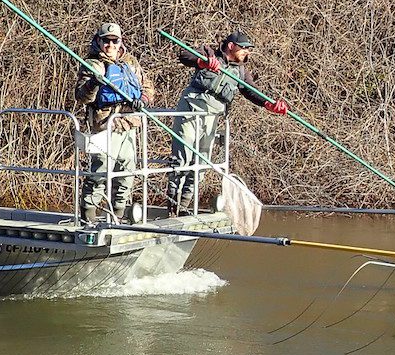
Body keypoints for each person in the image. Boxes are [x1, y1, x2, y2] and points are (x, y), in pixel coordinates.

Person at [166, 30, 287, 214]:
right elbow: (185, 55)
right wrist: (202, 61)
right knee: (183, 155)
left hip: (212, 116)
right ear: (231, 46)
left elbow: (251, 91)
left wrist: (269, 104)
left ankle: (184, 205)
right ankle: (171, 203)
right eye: (244, 48)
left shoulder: (240, 71)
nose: (247, 52)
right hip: (191, 108)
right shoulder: (210, 53)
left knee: (202, 161)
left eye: (249, 49)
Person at [75, 22, 156, 223]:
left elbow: (148, 87)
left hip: (128, 123)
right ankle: (88, 218)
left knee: (126, 173)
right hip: (104, 126)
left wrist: (143, 100)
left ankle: (117, 217)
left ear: (120, 42)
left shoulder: (131, 62)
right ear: (98, 41)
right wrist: (93, 83)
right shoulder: (91, 64)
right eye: (106, 41)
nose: (110, 45)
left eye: (114, 41)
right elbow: (81, 97)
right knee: (99, 173)